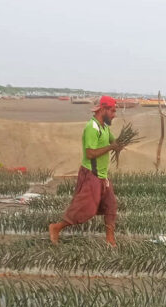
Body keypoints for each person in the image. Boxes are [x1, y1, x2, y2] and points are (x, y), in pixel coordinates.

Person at [49, 95, 124, 246]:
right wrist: (111, 147)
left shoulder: (104, 127)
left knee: (111, 206)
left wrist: (119, 144)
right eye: (112, 111)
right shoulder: (92, 127)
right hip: (92, 173)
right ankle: (56, 227)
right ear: (103, 109)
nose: (114, 115)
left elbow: (113, 141)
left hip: (102, 175)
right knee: (86, 208)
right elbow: (90, 153)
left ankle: (110, 239)